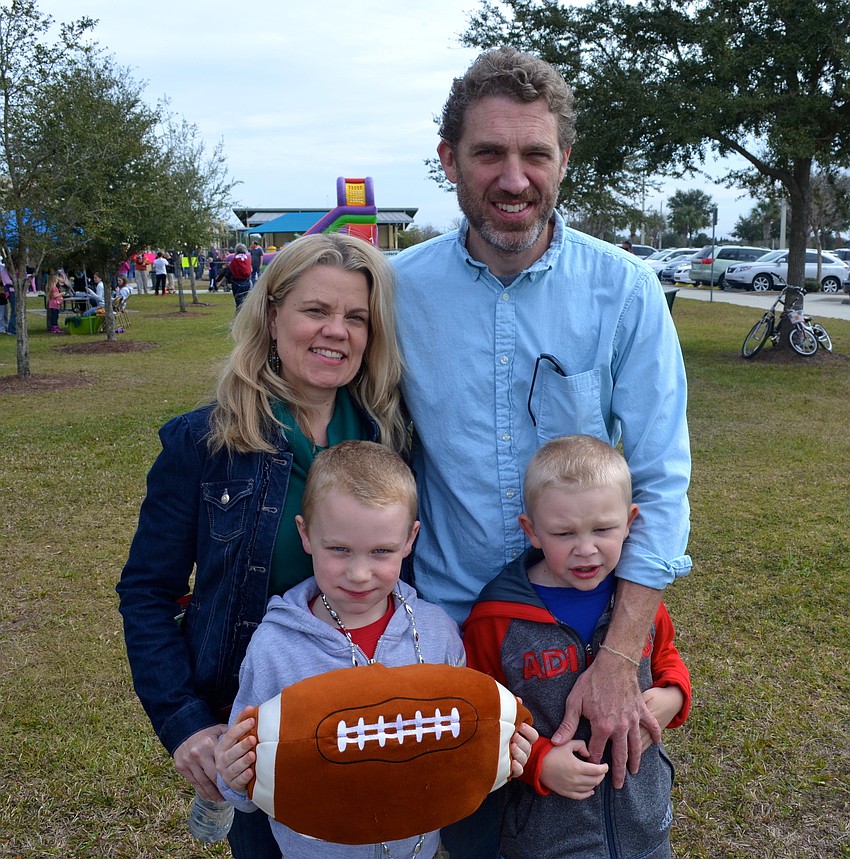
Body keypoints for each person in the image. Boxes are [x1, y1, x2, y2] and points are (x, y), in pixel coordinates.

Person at [392, 46, 691, 856]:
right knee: (470, 843)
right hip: (454, 647)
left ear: (565, 159)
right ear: (450, 159)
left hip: (583, 649)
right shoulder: (394, 292)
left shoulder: (625, 290)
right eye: (489, 152)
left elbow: (661, 483)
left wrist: (620, 658)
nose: (513, 178)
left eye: (535, 153)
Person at [117, 233, 407, 858]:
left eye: (356, 317)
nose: (337, 331)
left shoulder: (394, 436)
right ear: (273, 315)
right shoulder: (205, 442)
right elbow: (146, 593)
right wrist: (184, 722)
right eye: (315, 311)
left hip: (380, 722)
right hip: (258, 738)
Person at [215, 441, 462, 857]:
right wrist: (232, 775)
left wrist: (500, 743)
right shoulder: (275, 646)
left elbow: (458, 741)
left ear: (409, 539)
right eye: (339, 550)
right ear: (306, 534)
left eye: (381, 551)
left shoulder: (437, 633)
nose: (359, 573)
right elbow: (245, 780)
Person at [463, 435, 691, 859]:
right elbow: (482, 714)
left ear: (630, 521)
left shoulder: (633, 603)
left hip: (645, 824)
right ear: (531, 531)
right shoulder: (495, 619)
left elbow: (666, 656)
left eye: (603, 529)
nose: (585, 549)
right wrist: (540, 763)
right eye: (564, 533)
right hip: (545, 838)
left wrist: (674, 695)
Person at [228, 242, 253, 308]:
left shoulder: (235, 260)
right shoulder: (247, 259)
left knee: (239, 303)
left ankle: (239, 316)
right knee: (245, 301)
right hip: (246, 282)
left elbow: (231, 270)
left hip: (237, 283)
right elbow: (250, 270)